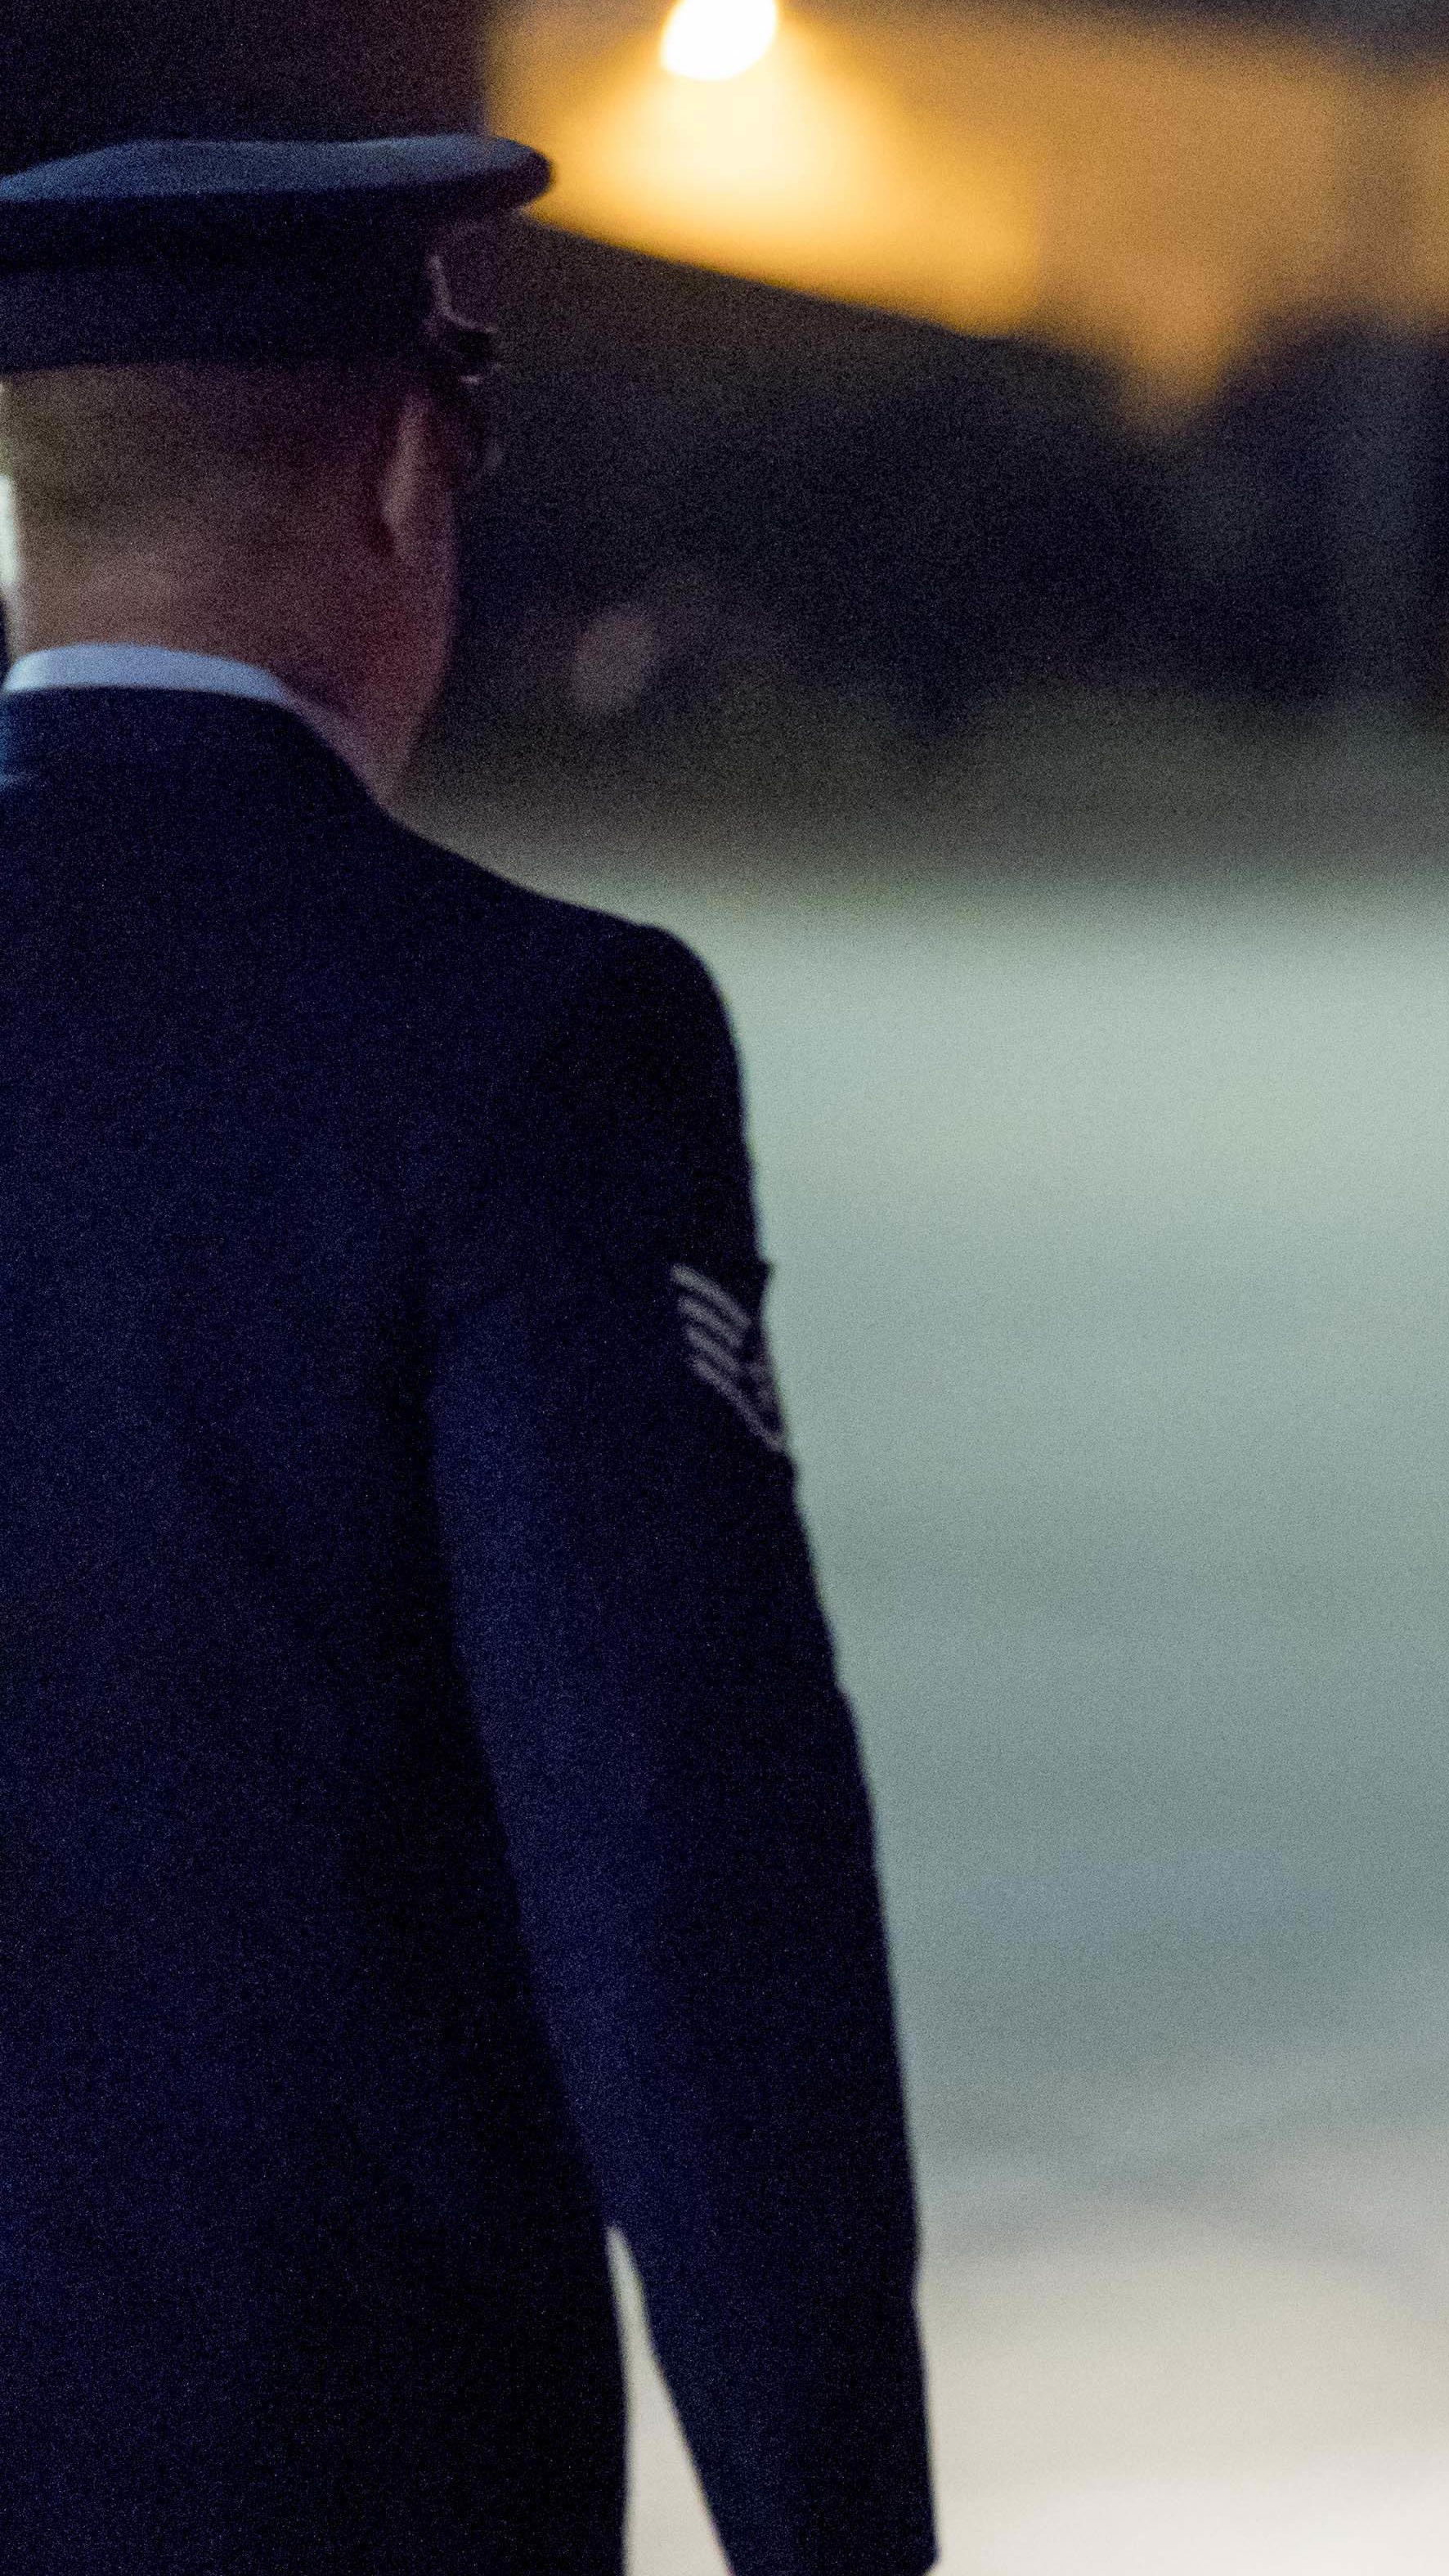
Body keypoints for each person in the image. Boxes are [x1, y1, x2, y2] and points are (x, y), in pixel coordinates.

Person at [0, 137, 934, 2574]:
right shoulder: (523, 1042)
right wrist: (834, 2517)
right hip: (299, 2455)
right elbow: (671, 1842)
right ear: (413, 469)